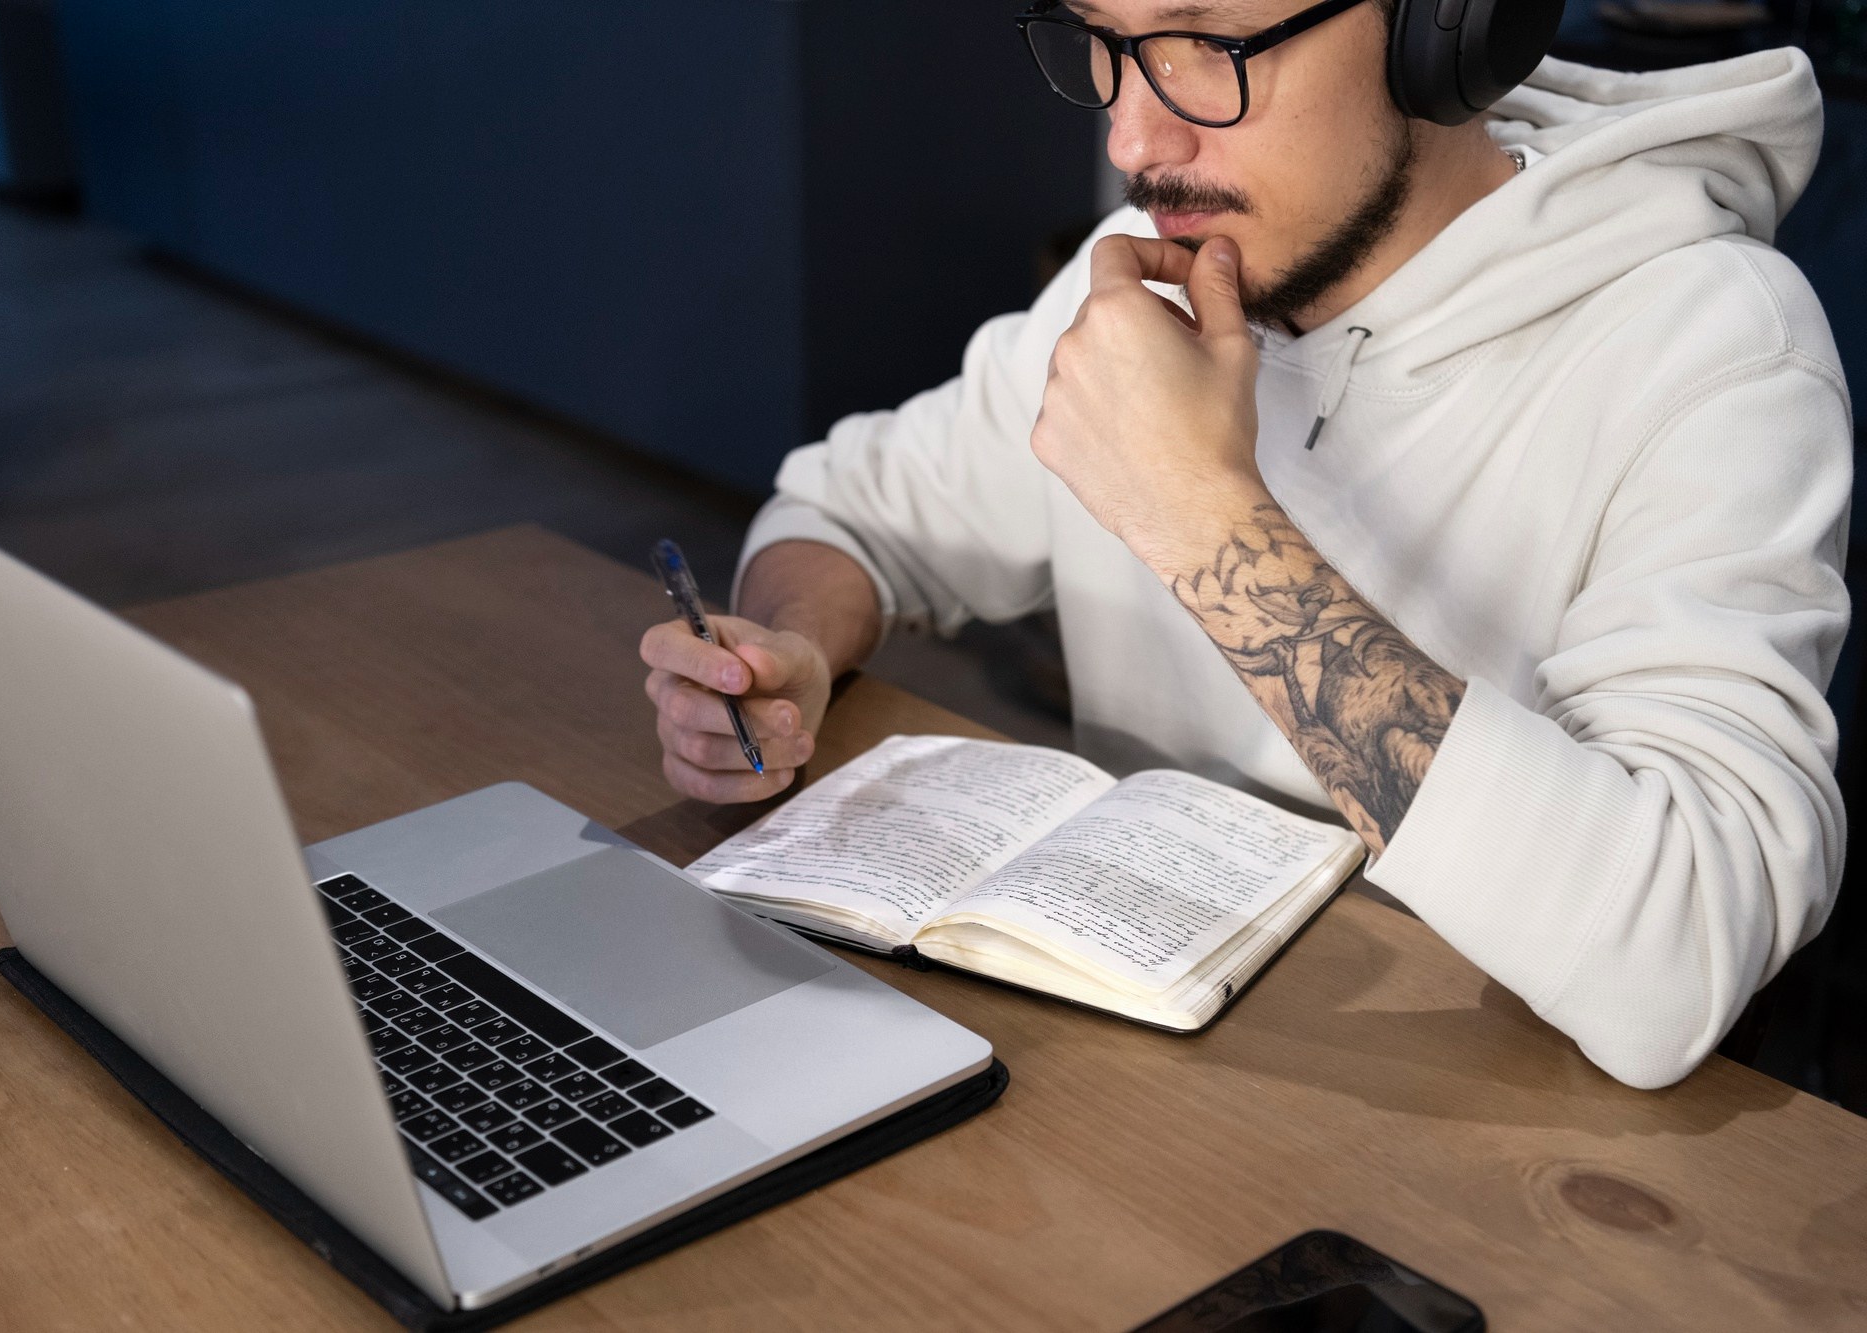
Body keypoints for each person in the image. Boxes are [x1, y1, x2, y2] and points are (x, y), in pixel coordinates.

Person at [639, 0, 1851, 1090]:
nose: (1132, 143)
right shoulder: (1153, 285)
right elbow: (847, 510)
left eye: (1204, 46)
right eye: (1104, 46)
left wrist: (1204, 522)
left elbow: (1679, 961)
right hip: (1144, 1091)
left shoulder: (1713, 350)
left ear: (1444, 26)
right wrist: (789, 647)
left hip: (1491, 1154)